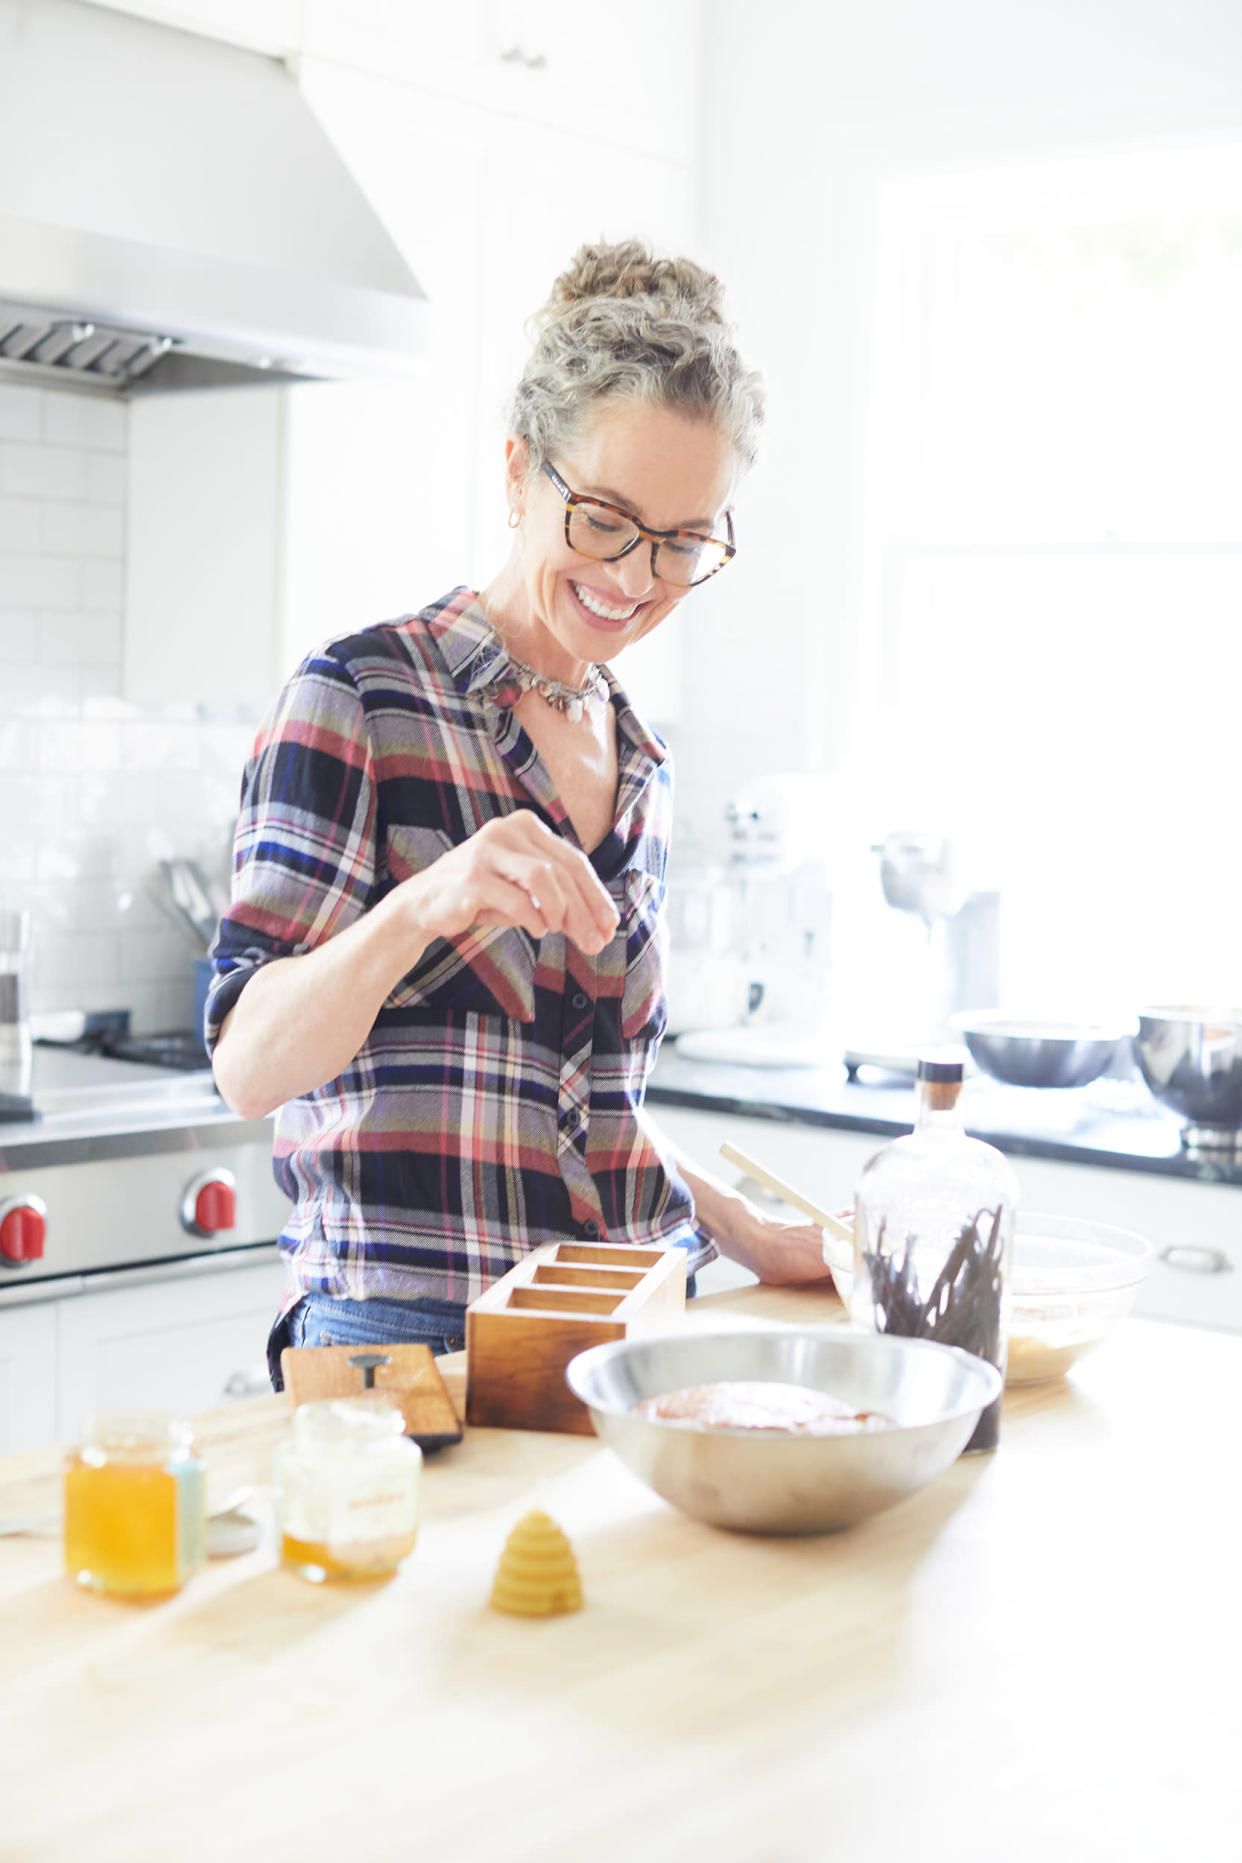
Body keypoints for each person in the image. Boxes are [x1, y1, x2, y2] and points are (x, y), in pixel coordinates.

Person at [207, 239, 833, 1386]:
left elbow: (585, 1102)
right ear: (516, 475)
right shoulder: (359, 698)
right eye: (602, 517)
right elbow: (250, 1065)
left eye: (686, 540)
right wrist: (427, 903)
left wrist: (745, 1228)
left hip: (637, 1338)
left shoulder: (642, 757)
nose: (637, 577)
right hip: (413, 1360)